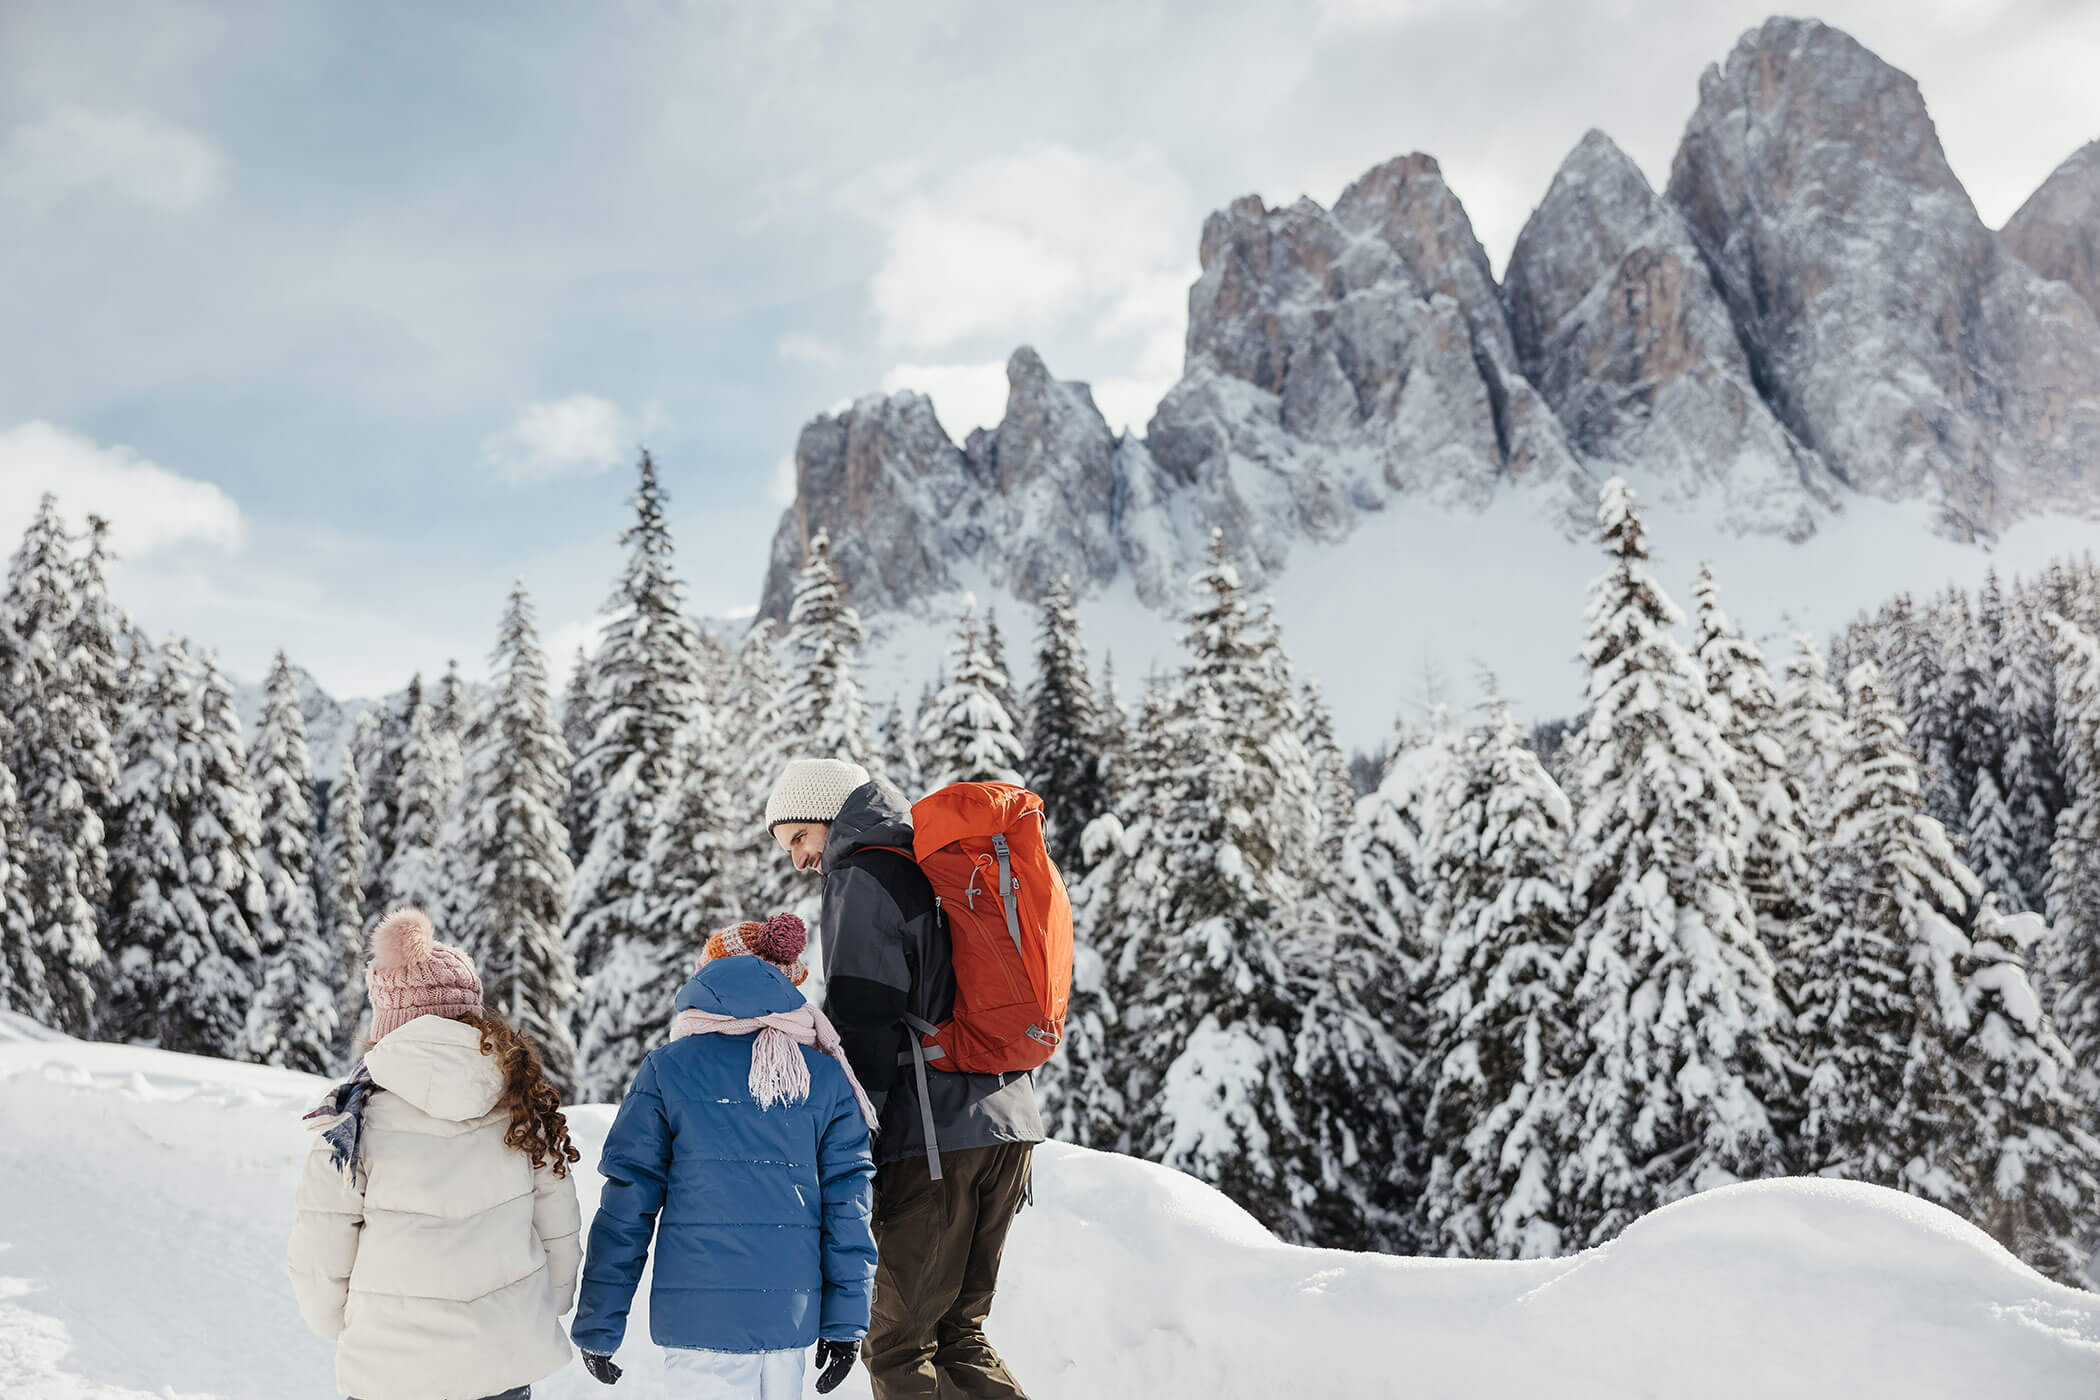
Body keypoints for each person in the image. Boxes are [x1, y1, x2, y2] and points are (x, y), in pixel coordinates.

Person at [767, 757, 1044, 1400]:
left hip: (932, 1137)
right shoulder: (925, 858)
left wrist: (848, 1130)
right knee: (957, 1335)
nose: (801, 860)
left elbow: (865, 1016)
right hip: (1005, 1122)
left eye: (799, 841)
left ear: (826, 815)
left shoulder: (863, 872)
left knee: (896, 1343)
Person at [571, 912, 879, 1398]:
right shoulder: (821, 1073)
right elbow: (849, 1205)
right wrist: (845, 1322)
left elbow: (627, 1206)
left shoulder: (667, 1069)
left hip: (700, 1327)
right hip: (788, 1323)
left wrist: (599, 1322)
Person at [287, 908, 583, 1400]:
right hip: (501, 1358)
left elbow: (321, 1247)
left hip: (390, 1368)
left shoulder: (353, 1122)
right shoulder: (520, 1106)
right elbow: (559, 1233)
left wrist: (343, 1324)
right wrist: (537, 1306)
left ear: (389, 1020)